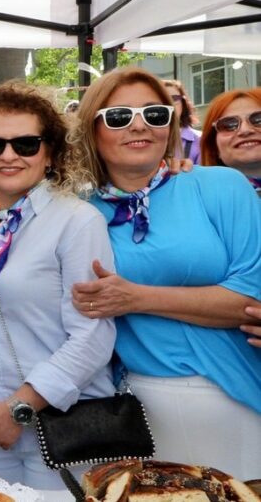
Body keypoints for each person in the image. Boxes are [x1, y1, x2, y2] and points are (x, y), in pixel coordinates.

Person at [71, 68, 261, 478]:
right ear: (93, 129)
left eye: (155, 114)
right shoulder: (78, 212)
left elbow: (251, 299)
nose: (139, 125)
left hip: (234, 394)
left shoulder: (222, 186)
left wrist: (136, 298)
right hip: (132, 406)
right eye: (119, 116)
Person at [0, 82, 117, 488]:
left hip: (64, 423)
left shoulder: (77, 222)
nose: (8, 155)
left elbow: (93, 335)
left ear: (50, 152)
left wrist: (19, 407)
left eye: (25, 144)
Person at [199, 87, 261, 195]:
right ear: (214, 147)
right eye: (228, 125)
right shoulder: (196, 197)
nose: (245, 131)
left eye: (258, 119)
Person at [161, 79, 201, 165]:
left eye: (174, 98)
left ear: (183, 103)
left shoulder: (200, 140)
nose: (169, 103)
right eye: (163, 99)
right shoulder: (145, 139)